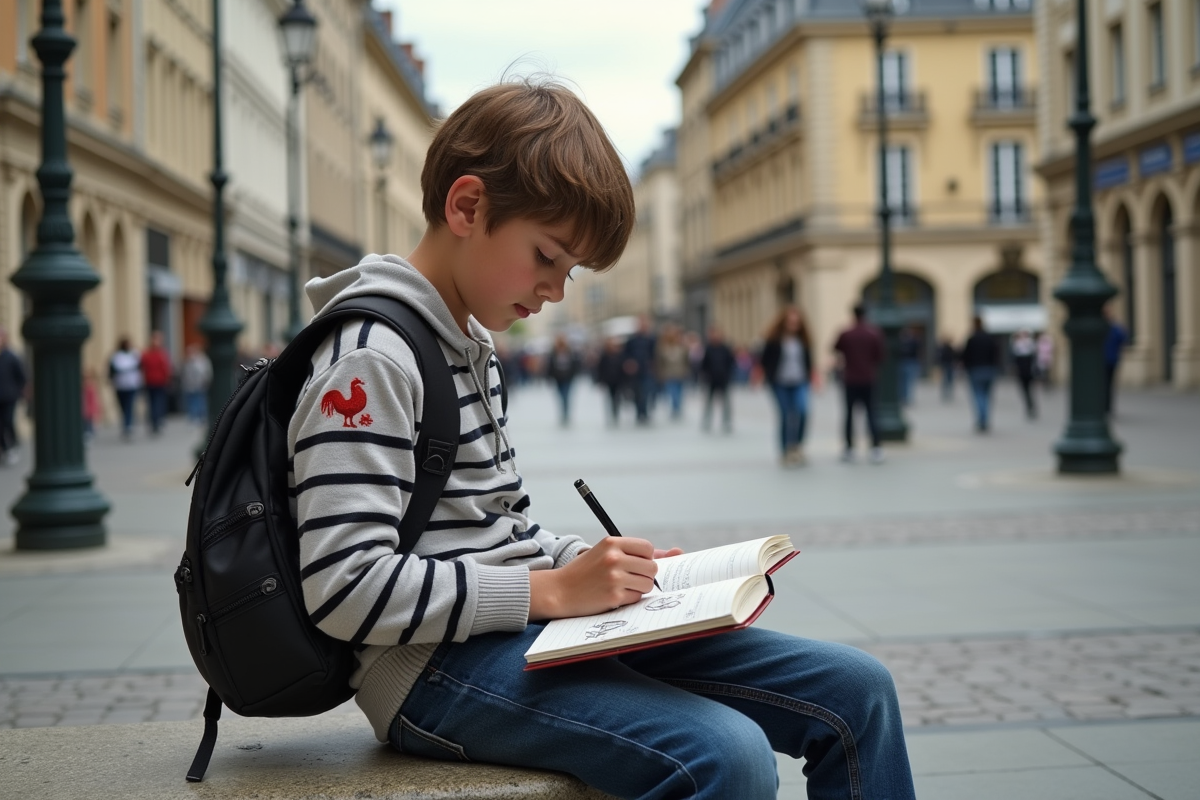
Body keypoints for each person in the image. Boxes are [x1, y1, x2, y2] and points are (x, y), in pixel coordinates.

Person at [285, 79, 914, 800]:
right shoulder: (373, 356)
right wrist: (550, 589)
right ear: (467, 207)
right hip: (430, 669)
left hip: (523, 629)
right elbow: (343, 587)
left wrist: (596, 565)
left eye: (570, 270)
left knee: (858, 690)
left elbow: (496, 528)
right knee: (728, 755)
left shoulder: (467, 340)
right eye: (547, 256)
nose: (556, 289)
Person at [760, 306, 813, 466]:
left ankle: (796, 446)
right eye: (790, 322)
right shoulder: (774, 340)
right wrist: (763, 376)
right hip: (779, 383)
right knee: (785, 415)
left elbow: (808, 362)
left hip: (800, 382)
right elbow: (764, 360)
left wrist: (814, 377)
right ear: (784, 322)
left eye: (796, 322)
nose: (793, 325)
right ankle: (785, 450)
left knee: (802, 411)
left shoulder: (803, 341)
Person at [833, 304, 885, 464]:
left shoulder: (846, 333)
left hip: (850, 379)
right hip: (868, 378)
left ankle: (849, 448)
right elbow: (880, 356)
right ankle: (875, 447)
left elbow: (836, 348)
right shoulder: (874, 333)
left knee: (849, 414)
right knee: (872, 413)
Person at [961, 316, 1000, 432]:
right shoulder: (989, 338)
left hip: (976, 370)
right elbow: (996, 353)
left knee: (979, 395)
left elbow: (966, 355)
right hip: (989, 369)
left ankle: (982, 420)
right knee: (987, 396)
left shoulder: (972, 339)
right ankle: (985, 419)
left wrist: (966, 367)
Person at [699, 325, 736, 433]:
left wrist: (729, 375)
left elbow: (731, 363)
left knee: (726, 402)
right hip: (711, 379)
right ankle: (707, 420)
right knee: (708, 402)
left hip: (724, 378)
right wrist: (705, 376)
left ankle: (727, 421)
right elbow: (704, 364)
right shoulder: (708, 348)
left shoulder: (725, 348)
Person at [0, 326, 27, 466]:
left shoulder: (11, 357)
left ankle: (13, 446)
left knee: (8, 421)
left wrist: (18, 391)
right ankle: (5, 449)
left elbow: (21, 376)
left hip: (9, 396)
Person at [622, 316, 656, 424]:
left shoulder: (651, 339)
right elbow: (625, 354)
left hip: (647, 370)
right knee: (637, 393)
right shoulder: (631, 340)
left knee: (646, 392)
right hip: (635, 371)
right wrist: (629, 363)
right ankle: (639, 412)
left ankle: (644, 412)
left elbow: (655, 354)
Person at [654, 323, 690, 420]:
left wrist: (686, 370)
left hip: (680, 373)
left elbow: (686, 360)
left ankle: (677, 408)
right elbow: (660, 361)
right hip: (668, 374)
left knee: (679, 392)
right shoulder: (662, 347)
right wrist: (660, 372)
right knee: (672, 392)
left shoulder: (682, 347)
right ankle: (675, 408)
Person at [109, 336, 142, 440]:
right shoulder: (116, 356)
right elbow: (112, 370)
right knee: (123, 406)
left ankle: (128, 426)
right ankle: (126, 423)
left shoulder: (134, 354)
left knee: (129, 406)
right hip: (120, 385)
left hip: (131, 385)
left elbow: (139, 367)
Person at [544, 334, 581, 425]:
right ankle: (563, 413)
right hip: (558, 378)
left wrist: (574, 374)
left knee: (566, 396)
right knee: (560, 396)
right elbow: (550, 366)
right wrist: (549, 377)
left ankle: (566, 414)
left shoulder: (570, 352)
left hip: (568, 377)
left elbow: (575, 364)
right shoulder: (553, 352)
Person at [140, 330, 172, 435]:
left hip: (159, 381)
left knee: (157, 402)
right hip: (152, 381)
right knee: (154, 402)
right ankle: (155, 422)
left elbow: (165, 368)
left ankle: (157, 422)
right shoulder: (150, 354)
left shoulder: (160, 353)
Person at [594, 336, 627, 426]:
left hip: (618, 380)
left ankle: (616, 412)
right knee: (609, 397)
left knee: (617, 398)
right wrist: (600, 380)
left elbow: (623, 368)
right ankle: (611, 413)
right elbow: (600, 369)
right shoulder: (604, 356)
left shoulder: (620, 355)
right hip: (608, 380)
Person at [1103, 307, 1129, 417]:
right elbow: (1123, 339)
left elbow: (1123, 338)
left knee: (1107, 385)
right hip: (1106, 360)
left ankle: (1107, 408)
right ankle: (1105, 408)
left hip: (1109, 360)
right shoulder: (1112, 327)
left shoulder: (1113, 327)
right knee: (1105, 385)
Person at [181, 343, 213, 426]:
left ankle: (201, 417)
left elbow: (205, 372)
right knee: (192, 402)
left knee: (200, 401)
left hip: (200, 384)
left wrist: (205, 381)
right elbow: (184, 374)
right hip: (190, 385)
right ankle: (193, 417)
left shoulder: (202, 360)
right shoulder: (187, 361)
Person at [1010, 329, 1038, 420]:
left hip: (1026, 372)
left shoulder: (1025, 345)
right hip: (1025, 372)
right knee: (1027, 390)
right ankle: (1030, 406)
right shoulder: (1024, 345)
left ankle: (1030, 406)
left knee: (1027, 390)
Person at [898, 325, 921, 406]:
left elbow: (917, 350)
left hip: (910, 362)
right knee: (903, 382)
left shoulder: (913, 341)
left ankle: (906, 398)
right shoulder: (901, 341)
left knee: (908, 382)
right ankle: (903, 398)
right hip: (905, 362)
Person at [82, 368, 102, 441]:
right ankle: (88, 432)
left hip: (88, 410)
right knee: (85, 423)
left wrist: (93, 409)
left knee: (89, 423)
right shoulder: (82, 388)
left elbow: (93, 401)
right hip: (83, 411)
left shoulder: (90, 388)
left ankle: (89, 432)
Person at [937, 337, 957, 402]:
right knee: (948, 380)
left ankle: (947, 393)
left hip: (947, 365)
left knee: (946, 380)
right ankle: (947, 393)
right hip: (948, 365)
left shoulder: (945, 349)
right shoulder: (947, 349)